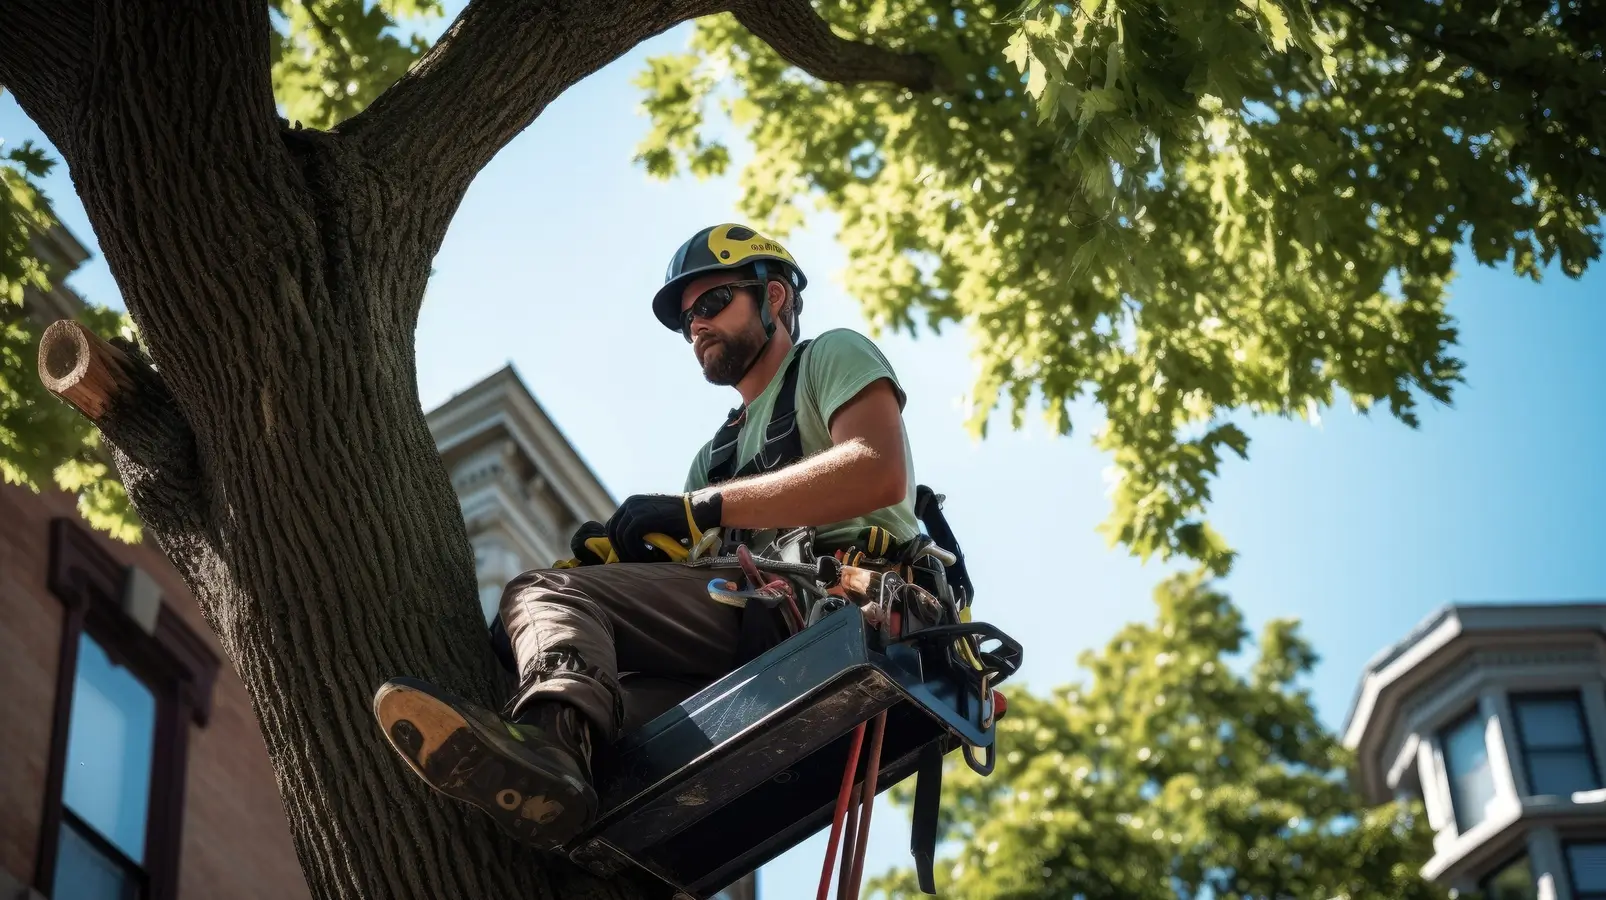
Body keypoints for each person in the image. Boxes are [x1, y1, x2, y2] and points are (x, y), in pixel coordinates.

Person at [371, 223, 921, 850]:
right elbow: (691, 566)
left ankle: (546, 749)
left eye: (713, 303)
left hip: (839, 604)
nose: (698, 328)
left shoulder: (830, 358)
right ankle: (552, 776)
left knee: (546, 594)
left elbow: (878, 466)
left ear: (774, 298)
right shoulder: (712, 457)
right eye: (687, 320)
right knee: (606, 723)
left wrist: (699, 511)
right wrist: (621, 557)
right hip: (751, 634)